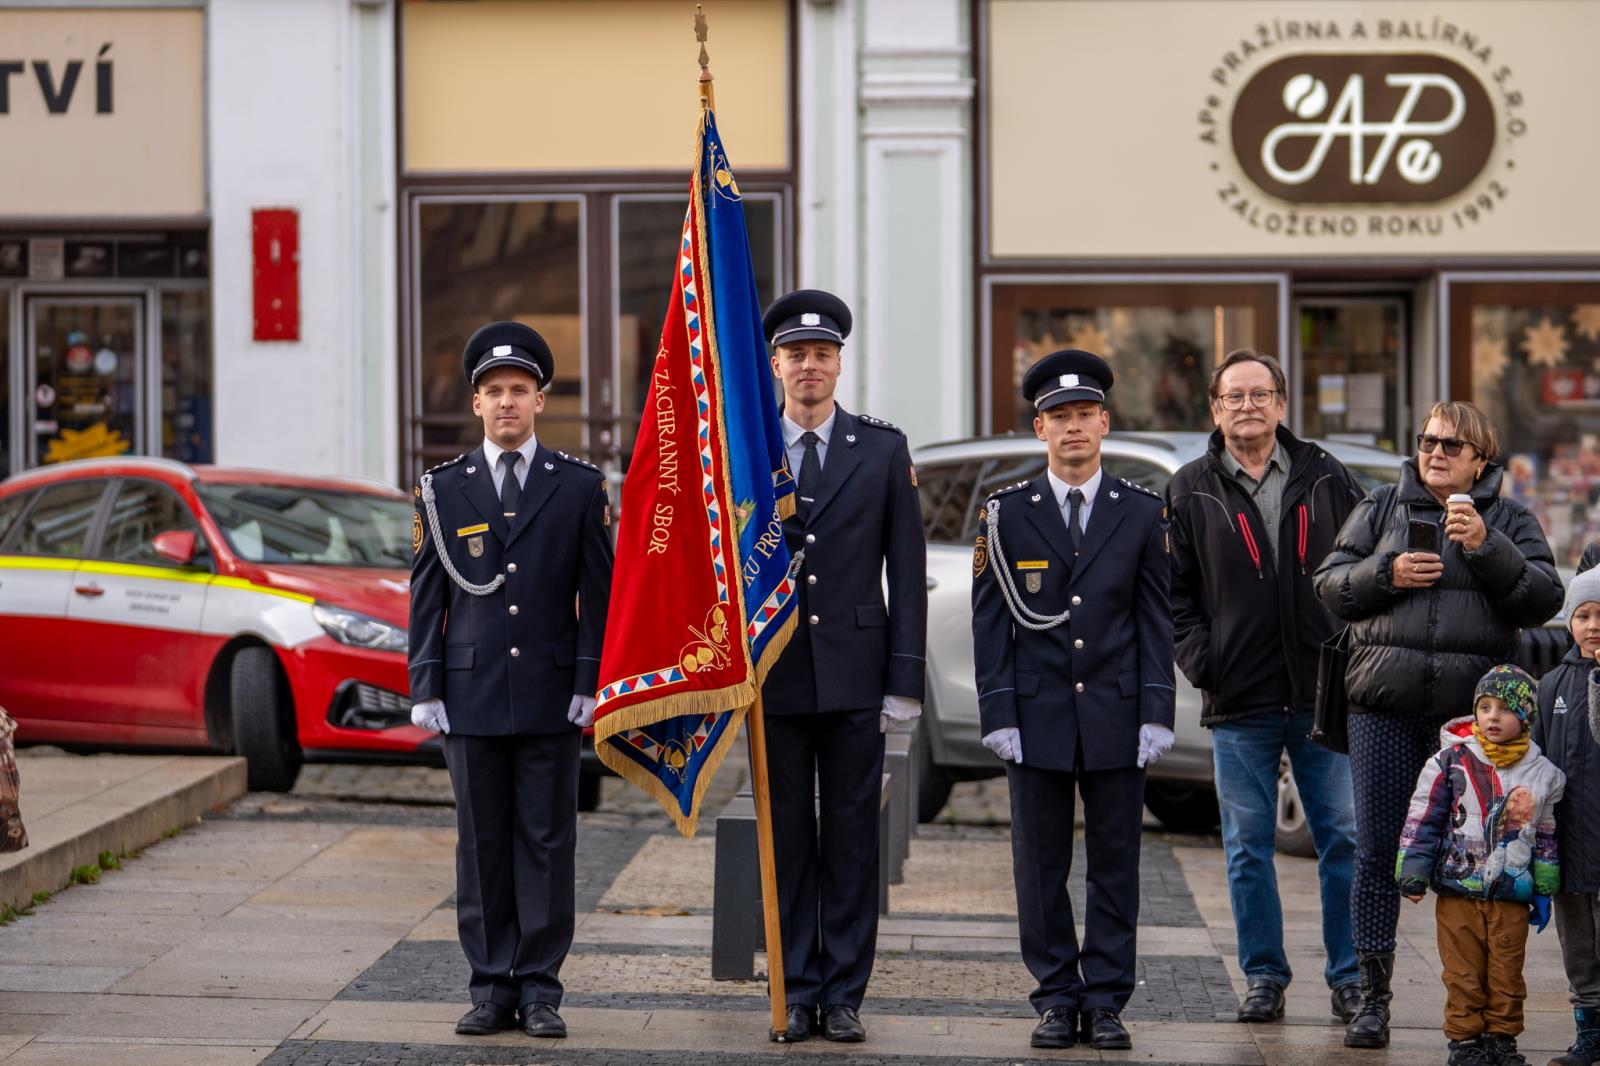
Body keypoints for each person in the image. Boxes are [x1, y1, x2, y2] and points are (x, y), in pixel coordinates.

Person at [1314, 400, 1562, 1050]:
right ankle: (1372, 998)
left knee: (1482, 862)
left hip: (1471, 728)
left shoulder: (1507, 518)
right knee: (1376, 854)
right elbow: (1328, 584)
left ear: (1481, 458)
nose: (1436, 453)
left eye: (1453, 445)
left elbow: (1544, 598)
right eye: (1428, 441)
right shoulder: (1379, 508)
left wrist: (1486, 546)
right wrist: (1383, 574)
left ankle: (1480, 1015)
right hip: (1382, 710)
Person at [407, 321, 614, 1040]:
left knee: (547, 844)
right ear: (475, 404)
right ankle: (491, 986)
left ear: (540, 400)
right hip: (471, 695)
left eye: (518, 391)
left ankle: (540, 988)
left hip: (554, 694)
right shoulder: (442, 490)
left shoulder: (579, 487)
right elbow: (426, 594)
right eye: (493, 392)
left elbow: (600, 595)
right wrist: (425, 684)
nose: (505, 403)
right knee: (481, 844)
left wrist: (591, 680)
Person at [971, 349, 1174, 1051]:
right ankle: (1057, 996)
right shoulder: (1005, 515)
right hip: (1037, 715)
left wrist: (1156, 710)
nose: (1074, 428)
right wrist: (998, 712)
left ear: (1105, 423)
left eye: (1085, 415)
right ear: (1039, 430)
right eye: (1060, 417)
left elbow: (1154, 619)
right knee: (1040, 866)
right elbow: (990, 622)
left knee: (1116, 865)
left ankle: (1107, 999)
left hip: (1117, 713)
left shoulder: (1144, 513)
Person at [1166, 349, 1363, 1025]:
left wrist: (1353, 654)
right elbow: (1174, 593)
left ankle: (1351, 975)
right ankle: (1264, 977)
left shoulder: (1328, 476)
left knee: (1342, 836)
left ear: (1281, 404)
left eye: (1260, 394)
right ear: (1214, 410)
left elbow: (1366, 570)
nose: (1248, 406)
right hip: (1238, 697)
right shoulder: (1188, 487)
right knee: (1247, 845)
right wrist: (1204, 659)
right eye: (1234, 397)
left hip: (1322, 692)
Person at [757, 289, 927, 1044]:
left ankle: (845, 993)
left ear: (838, 364)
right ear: (775, 365)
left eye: (822, 355)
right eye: (796, 355)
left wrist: (904, 682)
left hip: (859, 672)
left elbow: (907, 570)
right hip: (776, 675)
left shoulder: (882, 449)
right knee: (787, 838)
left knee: (854, 839)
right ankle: (797, 990)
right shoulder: (749, 452)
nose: (809, 367)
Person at [1395, 665, 1564, 1066]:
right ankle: (1465, 1041)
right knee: (1463, 973)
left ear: (1525, 717)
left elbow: (1545, 833)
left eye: (1505, 709)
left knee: (1507, 973)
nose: (1492, 716)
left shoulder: (1543, 774)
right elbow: (1424, 818)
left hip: (1511, 894)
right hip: (1458, 892)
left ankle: (1502, 1040)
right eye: (1484, 707)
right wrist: (1413, 869)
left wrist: (1544, 886)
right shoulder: (1449, 762)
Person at [1535, 568, 1600, 1066]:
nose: (1593, 625)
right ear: (1569, 623)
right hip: (1569, 841)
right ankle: (1589, 1030)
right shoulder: (1552, 683)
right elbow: (1534, 758)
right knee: (1577, 945)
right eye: (1584, 615)